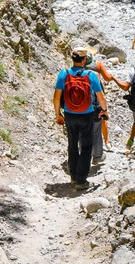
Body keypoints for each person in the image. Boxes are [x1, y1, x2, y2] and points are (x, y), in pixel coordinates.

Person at [53, 48, 108, 190]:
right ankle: (81, 180)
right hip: (87, 114)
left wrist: (58, 114)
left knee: (72, 144)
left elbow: (57, 97)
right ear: (84, 60)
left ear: (72, 59)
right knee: (86, 146)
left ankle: (73, 176)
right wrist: (104, 110)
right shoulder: (91, 75)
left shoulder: (63, 74)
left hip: (70, 114)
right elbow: (100, 96)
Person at [85, 58, 114, 160]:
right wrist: (113, 78)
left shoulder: (76, 68)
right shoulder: (97, 64)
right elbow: (107, 78)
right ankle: (106, 142)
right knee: (101, 118)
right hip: (96, 94)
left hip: (79, 105)